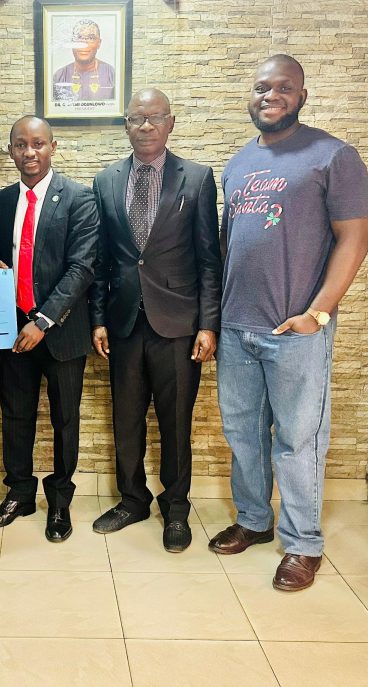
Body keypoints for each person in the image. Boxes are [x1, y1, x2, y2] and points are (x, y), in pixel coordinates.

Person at [209, 55, 368, 591]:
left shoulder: (333, 155)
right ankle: (254, 520)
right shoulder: (238, 163)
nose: (270, 96)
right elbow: (231, 244)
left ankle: (303, 543)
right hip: (237, 327)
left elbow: (355, 237)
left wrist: (317, 313)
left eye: (283, 88)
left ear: (302, 95)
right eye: (261, 87)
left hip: (295, 330)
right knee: (243, 434)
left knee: (299, 440)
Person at [89, 89, 222, 552]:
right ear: (125, 125)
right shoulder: (105, 180)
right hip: (124, 323)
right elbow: (102, 259)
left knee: (175, 424)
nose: (145, 125)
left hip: (179, 324)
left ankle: (176, 509)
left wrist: (208, 324)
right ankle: (132, 500)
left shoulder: (197, 178)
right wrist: (99, 318)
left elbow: (209, 259)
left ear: (170, 123)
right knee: (126, 420)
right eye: (136, 118)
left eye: (154, 117)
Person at [0, 115, 99, 542]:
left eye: (38, 144)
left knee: (65, 419)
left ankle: (60, 501)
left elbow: (82, 268)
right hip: (12, 328)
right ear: (11, 150)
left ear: (52, 147)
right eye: (20, 144)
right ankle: (20, 494)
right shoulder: (1, 200)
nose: (29, 152)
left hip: (61, 332)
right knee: (16, 414)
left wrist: (42, 321)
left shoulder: (79, 198)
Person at [53, 19, 115, 102]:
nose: (84, 44)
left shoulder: (111, 74)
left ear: (99, 43)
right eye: (79, 37)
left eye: (91, 38)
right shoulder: (59, 76)